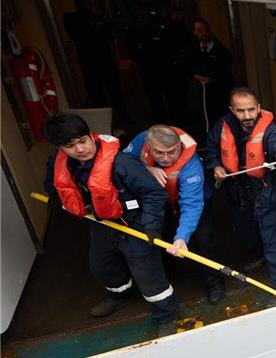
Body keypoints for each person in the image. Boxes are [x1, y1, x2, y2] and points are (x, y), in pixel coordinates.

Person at [42, 114, 178, 333]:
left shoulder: (122, 163)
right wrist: (58, 202)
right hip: (101, 225)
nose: (80, 149)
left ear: (91, 136)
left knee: (148, 274)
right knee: (101, 266)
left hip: (134, 226)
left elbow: (154, 193)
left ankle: (166, 315)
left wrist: (151, 224)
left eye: (82, 141)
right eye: (70, 146)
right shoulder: (59, 164)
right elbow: (54, 187)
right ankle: (121, 295)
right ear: (60, 148)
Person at [205, 87, 276, 292]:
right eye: (240, 111)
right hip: (236, 186)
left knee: (270, 233)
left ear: (258, 108)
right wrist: (216, 165)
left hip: (264, 188)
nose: (247, 116)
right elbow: (212, 148)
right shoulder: (222, 126)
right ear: (232, 110)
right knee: (245, 229)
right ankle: (258, 254)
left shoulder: (270, 130)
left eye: (250, 110)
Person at [123, 124, 226, 304]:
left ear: (179, 145)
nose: (166, 158)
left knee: (205, 240)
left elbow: (192, 205)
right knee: (158, 234)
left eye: (171, 152)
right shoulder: (142, 140)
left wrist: (182, 238)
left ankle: (215, 283)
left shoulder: (191, 165)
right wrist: (146, 169)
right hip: (159, 199)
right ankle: (170, 272)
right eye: (159, 153)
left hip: (192, 199)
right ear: (148, 146)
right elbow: (122, 160)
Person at [62, 0, 129, 124]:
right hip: (89, 62)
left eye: (88, 2)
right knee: (97, 94)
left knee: (115, 90)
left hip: (105, 59)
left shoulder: (98, 18)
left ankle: (123, 115)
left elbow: (111, 35)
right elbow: (77, 33)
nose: (87, 5)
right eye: (83, 3)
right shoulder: (72, 19)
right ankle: (105, 120)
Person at [185, 17, 234, 138]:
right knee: (207, 119)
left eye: (205, 30)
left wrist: (212, 79)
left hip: (220, 91)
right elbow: (187, 67)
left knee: (222, 117)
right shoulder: (193, 49)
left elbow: (226, 71)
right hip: (202, 92)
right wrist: (195, 76)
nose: (203, 33)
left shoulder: (221, 51)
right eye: (199, 30)